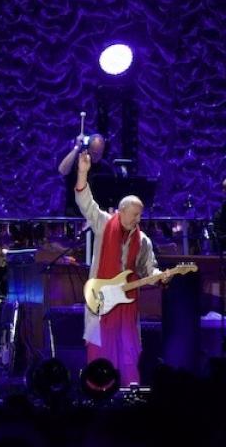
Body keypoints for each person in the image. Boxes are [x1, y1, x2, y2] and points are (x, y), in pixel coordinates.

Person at [75, 152, 170, 385]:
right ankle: (97, 396)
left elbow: (150, 269)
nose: (138, 219)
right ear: (122, 211)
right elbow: (85, 203)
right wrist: (83, 172)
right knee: (98, 353)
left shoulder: (143, 240)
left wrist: (161, 277)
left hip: (126, 306)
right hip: (101, 302)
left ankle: (129, 400)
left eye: (140, 215)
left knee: (128, 354)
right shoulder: (104, 223)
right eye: (135, 214)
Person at [58, 133, 115, 216]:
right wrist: (77, 148)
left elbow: (111, 194)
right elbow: (62, 170)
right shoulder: (78, 161)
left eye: (100, 153)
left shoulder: (106, 167)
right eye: (95, 153)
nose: (97, 156)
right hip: (75, 214)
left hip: (97, 215)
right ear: (88, 148)